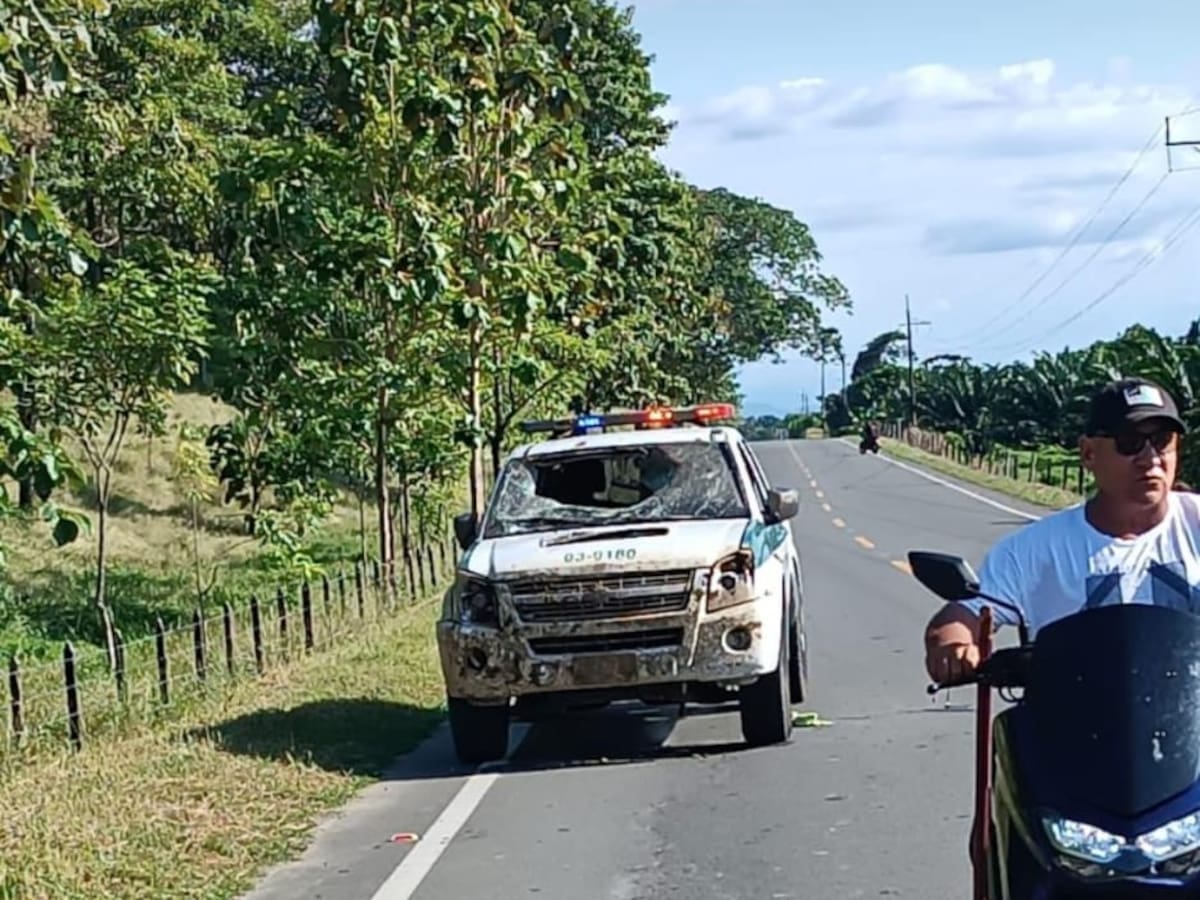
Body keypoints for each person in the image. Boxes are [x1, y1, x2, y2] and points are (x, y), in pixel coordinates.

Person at [924, 376, 1197, 687]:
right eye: (1129, 442)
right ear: (1088, 453)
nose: (1150, 459)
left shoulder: (1196, 523)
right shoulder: (1032, 549)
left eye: (1162, 441)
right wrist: (952, 646)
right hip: (1076, 725)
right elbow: (965, 613)